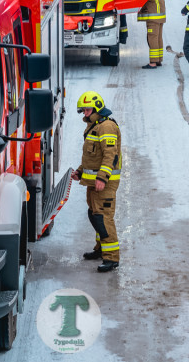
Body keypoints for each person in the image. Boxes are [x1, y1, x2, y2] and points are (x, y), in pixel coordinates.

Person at [70, 91, 123, 273]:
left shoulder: (106, 127)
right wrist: (80, 171)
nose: (84, 113)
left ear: (97, 107)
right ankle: (101, 249)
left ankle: (111, 258)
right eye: (83, 110)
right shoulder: (94, 126)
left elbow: (110, 155)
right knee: (94, 215)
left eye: (87, 110)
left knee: (103, 218)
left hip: (104, 183)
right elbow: (92, 157)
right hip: (93, 183)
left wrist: (102, 178)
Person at [137, 0, 166, 68]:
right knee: (158, 38)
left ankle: (153, 62)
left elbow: (141, 4)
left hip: (153, 19)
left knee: (152, 39)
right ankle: (158, 60)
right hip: (160, 18)